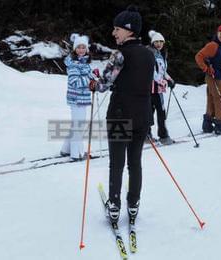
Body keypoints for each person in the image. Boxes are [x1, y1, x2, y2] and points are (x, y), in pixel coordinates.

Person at [89, 6, 155, 223]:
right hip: (143, 115)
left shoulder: (119, 54)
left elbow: (104, 84)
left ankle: (115, 204)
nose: (113, 33)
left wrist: (93, 84)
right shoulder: (149, 53)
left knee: (117, 162)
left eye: (117, 29)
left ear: (129, 30)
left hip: (120, 114)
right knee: (135, 161)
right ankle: (133, 203)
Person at [60, 34, 93, 161]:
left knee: (76, 124)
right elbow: (75, 81)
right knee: (78, 125)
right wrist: (89, 80)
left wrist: (94, 77)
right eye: (78, 47)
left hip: (83, 98)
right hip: (76, 99)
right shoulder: (73, 64)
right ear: (74, 49)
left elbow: (88, 75)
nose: (81, 50)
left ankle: (66, 149)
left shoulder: (85, 62)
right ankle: (76, 153)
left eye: (83, 47)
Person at [147, 30, 175, 145]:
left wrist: (170, 79)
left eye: (161, 42)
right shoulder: (150, 54)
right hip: (151, 87)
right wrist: (162, 81)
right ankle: (148, 134)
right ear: (153, 42)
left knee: (160, 112)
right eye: (156, 41)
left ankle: (162, 134)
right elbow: (152, 72)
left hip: (159, 89)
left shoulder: (162, 55)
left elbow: (163, 72)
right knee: (150, 111)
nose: (159, 44)